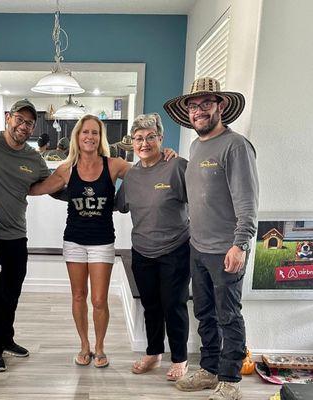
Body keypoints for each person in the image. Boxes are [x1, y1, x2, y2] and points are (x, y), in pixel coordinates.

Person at [163, 77, 259, 400]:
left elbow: (248, 202)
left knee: (228, 315)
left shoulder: (236, 146)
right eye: (194, 106)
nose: (199, 111)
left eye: (206, 104)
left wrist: (240, 243)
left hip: (226, 251)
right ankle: (209, 368)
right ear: (187, 112)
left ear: (220, 106)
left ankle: (230, 380)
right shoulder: (196, 145)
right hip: (198, 247)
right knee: (203, 311)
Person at [30, 114, 131, 368]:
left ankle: (100, 347)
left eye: (95, 133)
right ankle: (84, 346)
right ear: (77, 136)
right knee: (78, 296)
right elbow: (39, 188)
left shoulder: (114, 165)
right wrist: (7, 180)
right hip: (74, 241)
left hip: (102, 242)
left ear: (100, 137)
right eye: (85, 132)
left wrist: (165, 157)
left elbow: (147, 173)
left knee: (98, 300)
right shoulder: (67, 168)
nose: (90, 137)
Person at [0, 100, 52, 372]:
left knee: (12, 293)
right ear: (8, 117)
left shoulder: (32, 158)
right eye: (20, 119)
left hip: (17, 235)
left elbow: (48, 184)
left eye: (29, 123)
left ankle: (6, 339)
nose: (24, 126)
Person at [115, 113, 190, 381]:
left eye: (150, 137)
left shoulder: (177, 166)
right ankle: (154, 352)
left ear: (160, 138)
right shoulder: (131, 175)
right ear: (132, 143)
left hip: (175, 249)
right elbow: (119, 205)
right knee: (151, 305)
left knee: (174, 305)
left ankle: (180, 358)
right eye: (138, 138)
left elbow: (199, 201)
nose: (144, 143)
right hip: (142, 251)